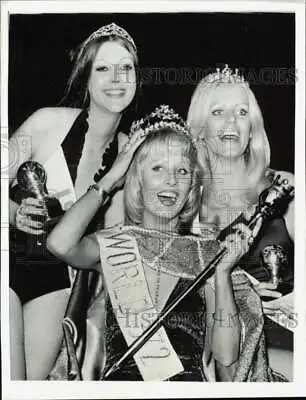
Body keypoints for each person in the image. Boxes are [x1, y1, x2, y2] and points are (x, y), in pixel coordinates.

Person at [47, 104, 282, 382]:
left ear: (192, 186)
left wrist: (222, 274)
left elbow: (227, 357)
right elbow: (60, 243)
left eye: (182, 171)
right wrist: (110, 179)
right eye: (157, 168)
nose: (171, 181)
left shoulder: (205, 254)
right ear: (136, 180)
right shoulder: (116, 243)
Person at [9, 22, 139, 380]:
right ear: (86, 78)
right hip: (7, 256)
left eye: (126, 67)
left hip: (57, 281)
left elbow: (112, 249)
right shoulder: (45, 123)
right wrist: (14, 211)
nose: (116, 78)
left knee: (25, 383)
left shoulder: (134, 157)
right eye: (103, 68)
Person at [187, 65, 295, 380]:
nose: (231, 122)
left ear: (252, 129)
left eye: (241, 112)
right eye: (218, 112)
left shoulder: (286, 190)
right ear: (200, 129)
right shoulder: (184, 209)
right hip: (218, 357)